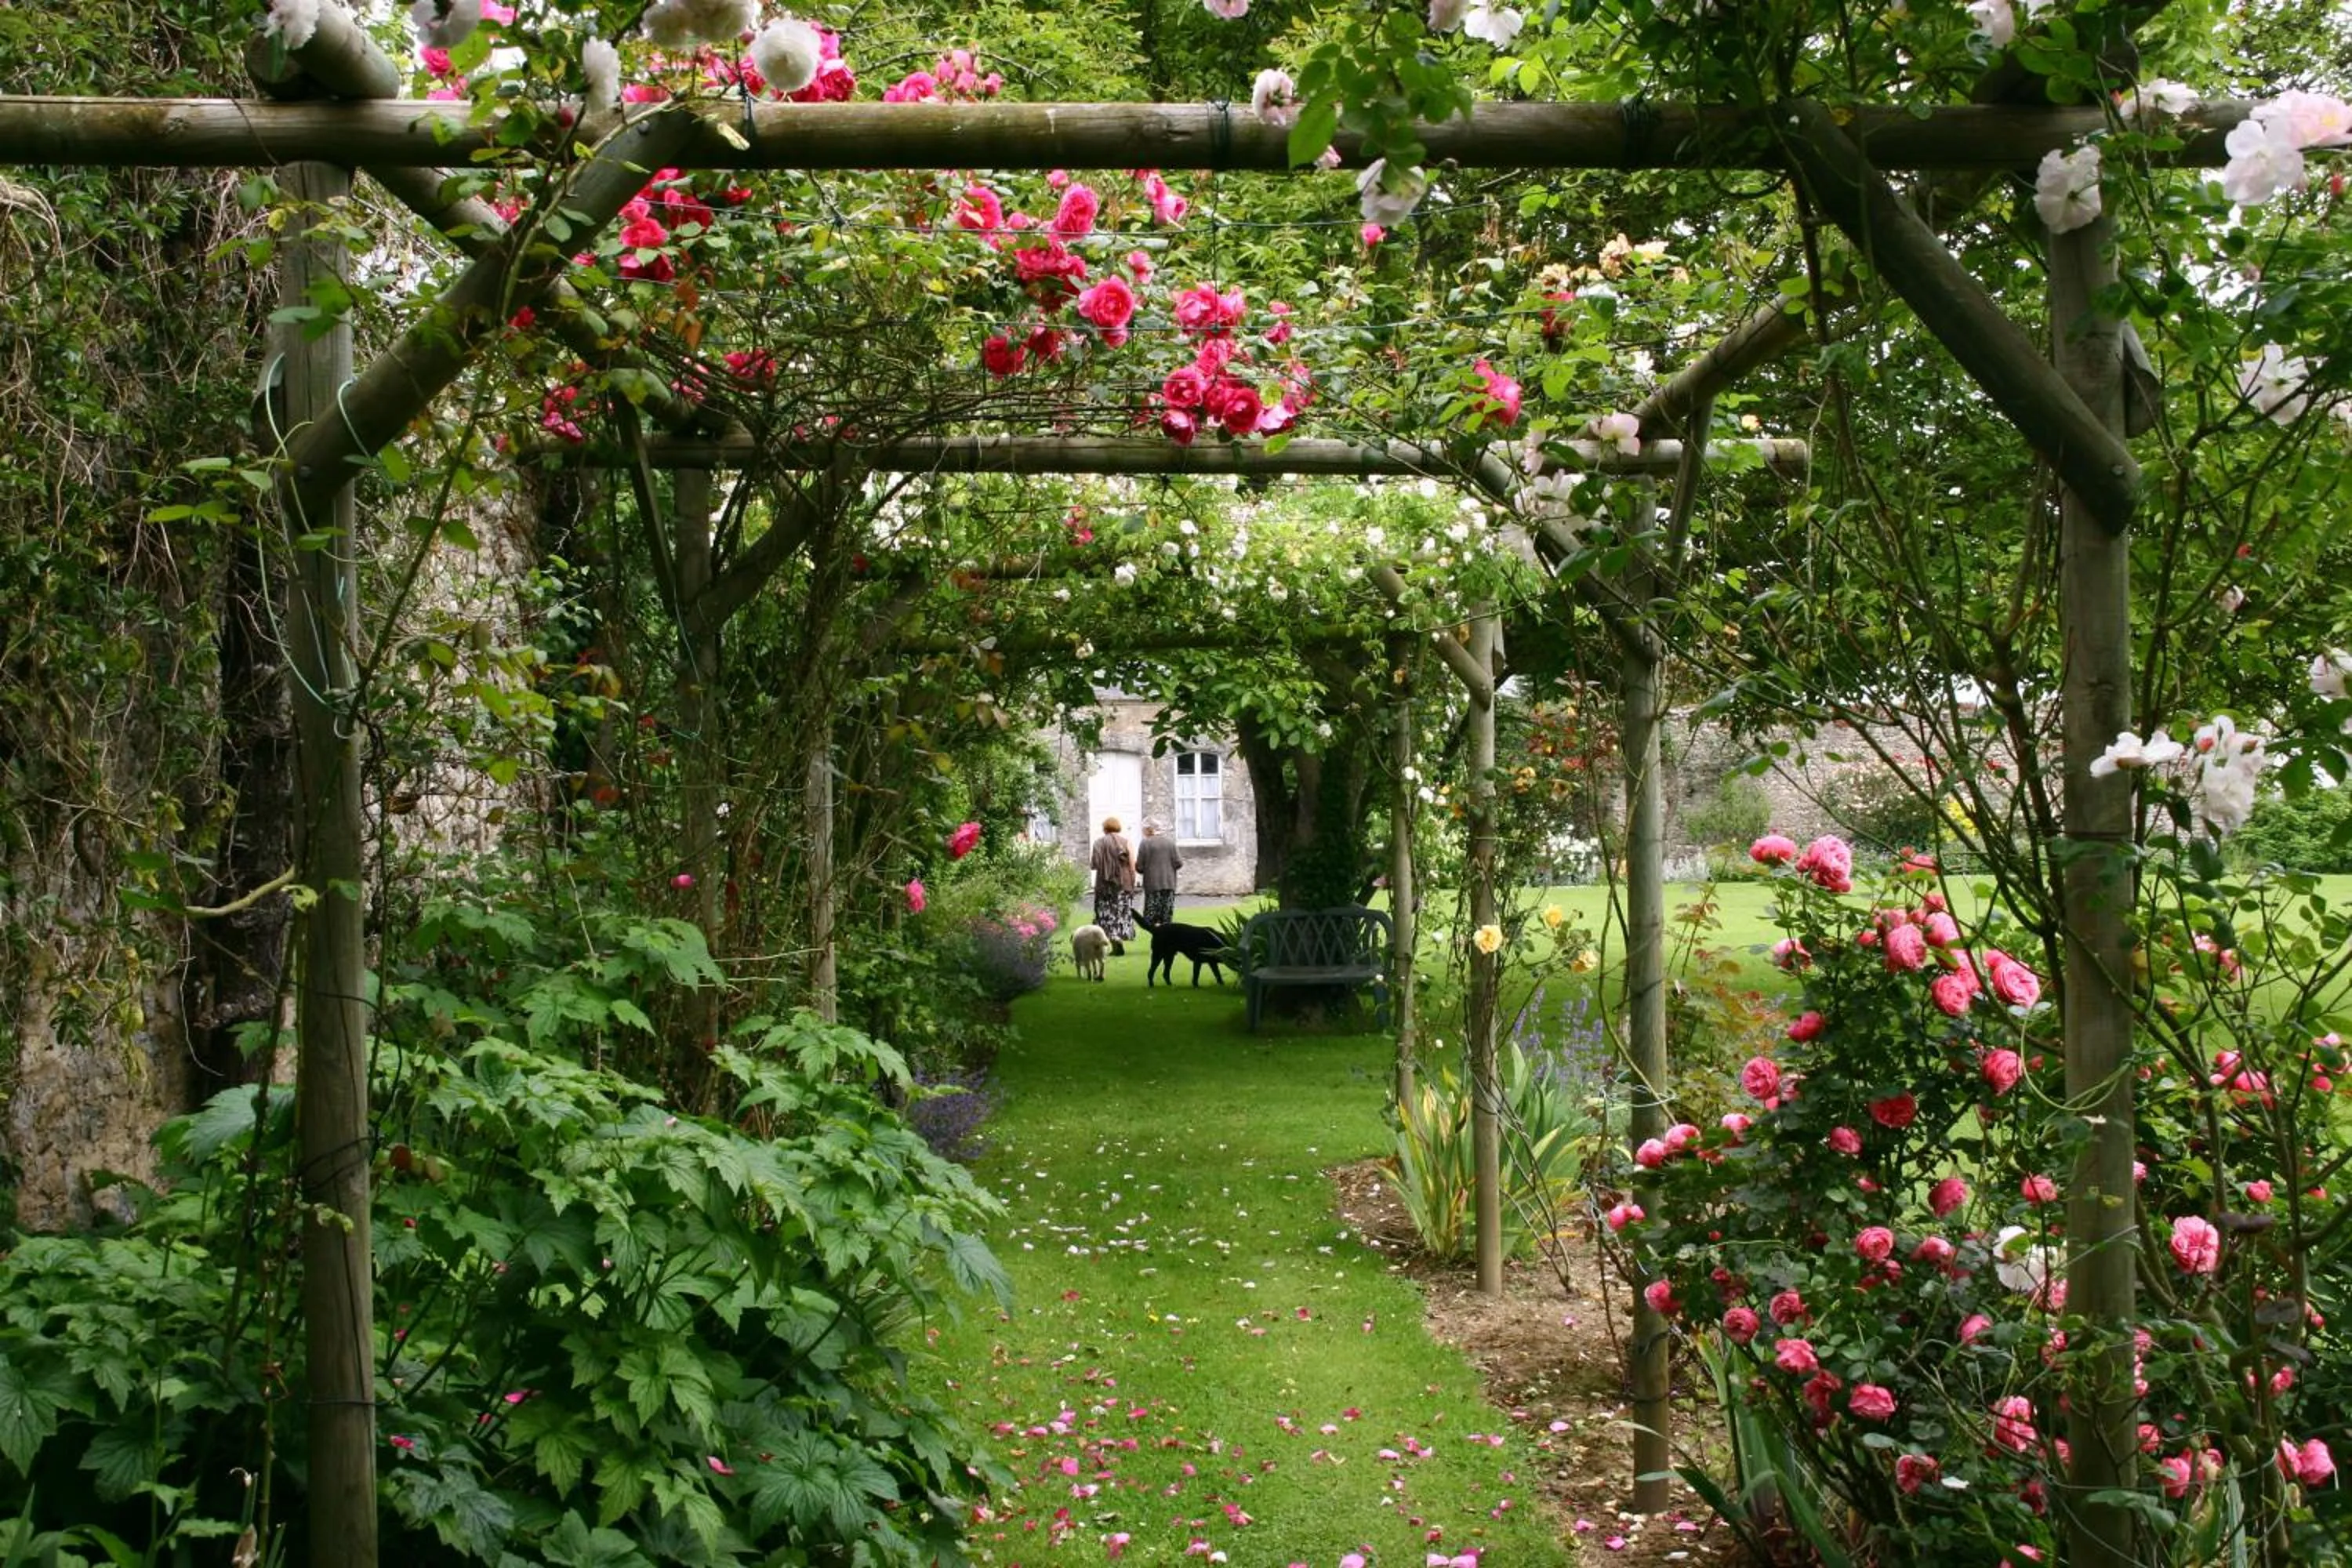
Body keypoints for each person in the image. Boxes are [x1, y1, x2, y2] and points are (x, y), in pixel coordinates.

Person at [1089, 815, 1138, 954]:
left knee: (1105, 913)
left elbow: (1094, 865)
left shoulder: (1098, 843)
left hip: (1104, 885)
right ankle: (1119, 937)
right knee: (1121, 912)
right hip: (1123, 884)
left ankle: (1112, 938)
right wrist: (1133, 883)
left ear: (1105, 829)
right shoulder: (1126, 842)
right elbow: (1132, 866)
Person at [1135, 818, 1182, 927]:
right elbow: (1179, 863)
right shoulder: (1170, 842)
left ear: (1149, 829)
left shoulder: (1145, 843)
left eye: (1144, 829)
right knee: (1166, 919)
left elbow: (1139, 867)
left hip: (1152, 886)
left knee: (1151, 920)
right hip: (1169, 885)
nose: (1143, 832)